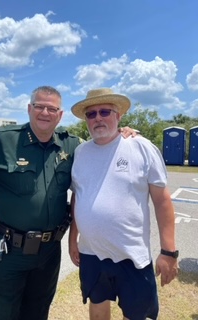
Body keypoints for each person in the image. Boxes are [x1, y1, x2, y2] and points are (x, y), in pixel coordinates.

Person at [0, 86, 136, 320]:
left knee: (39, 311)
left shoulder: (72, 145)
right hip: (9, 249)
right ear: (29, 109)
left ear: (60, 115)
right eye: (39, 106)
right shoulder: (3, 140)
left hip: (49, 251)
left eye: (52, 109)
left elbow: (102, 147)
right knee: (4, 313)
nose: (45, 113)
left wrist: (123, 134)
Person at [68, 88, 178, 320]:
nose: (98, 117)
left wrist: (169, 251)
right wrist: (72, 240)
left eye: (105, 111)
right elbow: (78, 197)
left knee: (137, 314)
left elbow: (162, 200)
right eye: (91, 114)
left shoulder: (141, 147)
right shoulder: (80, 152)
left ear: (118, 116)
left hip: (132, 254)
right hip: (91, 253)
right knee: (97, 303)